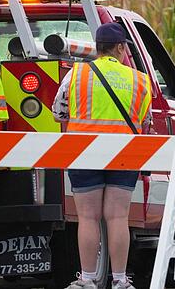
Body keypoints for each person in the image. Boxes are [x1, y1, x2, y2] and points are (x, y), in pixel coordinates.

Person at [51, 22, 152, 289]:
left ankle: (87, 278)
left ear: (97, 48)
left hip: (84, 151)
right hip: (124, 153)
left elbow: (57, 112)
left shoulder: (77, 74)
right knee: (118, 217)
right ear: (120, 48)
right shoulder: (139, 79)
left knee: (88, 217)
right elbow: (145, 120)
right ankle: (120, 279)